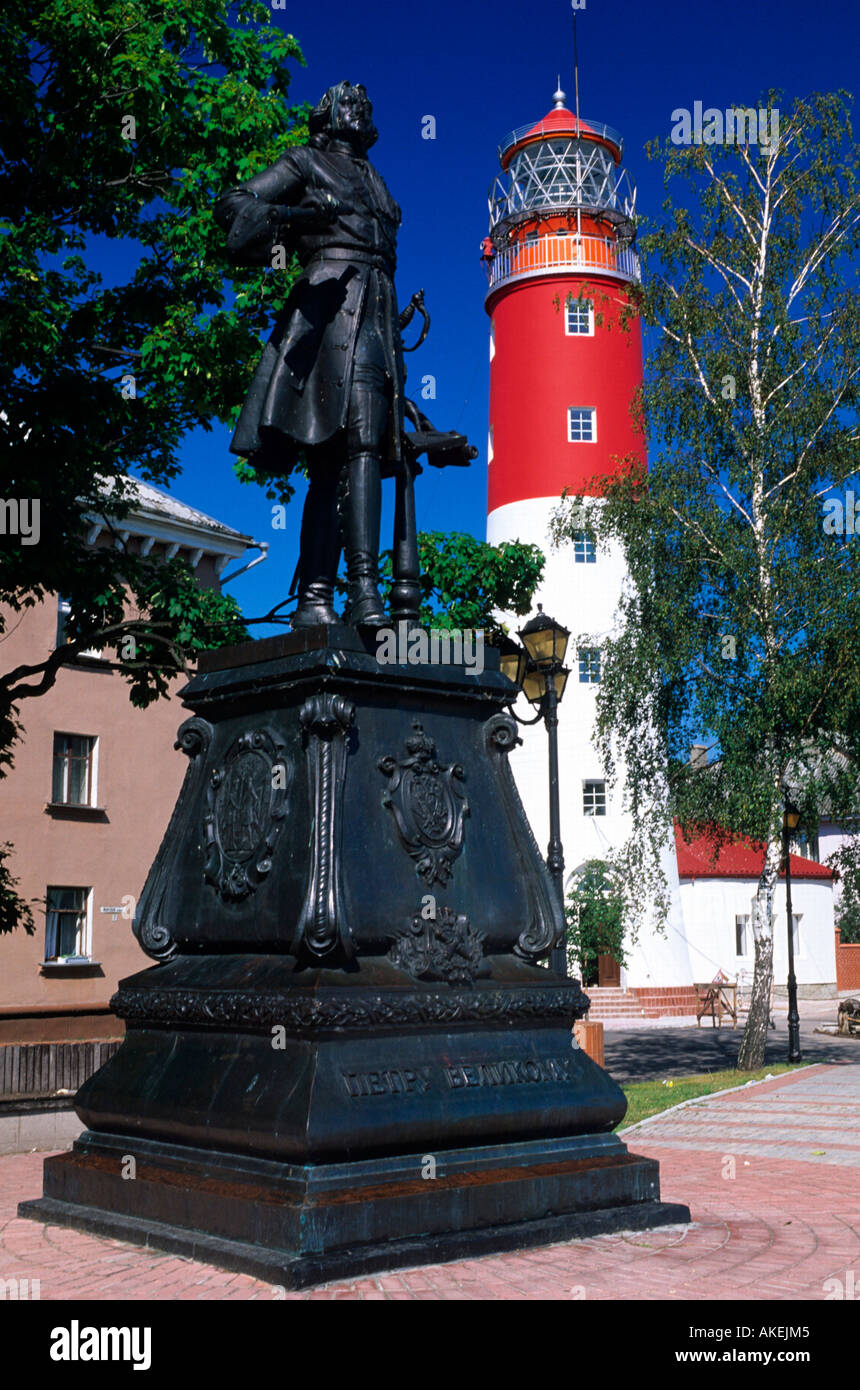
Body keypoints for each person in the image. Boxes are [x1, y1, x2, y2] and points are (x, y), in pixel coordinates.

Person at [215, 81, 406, 627]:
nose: (361, 107)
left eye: (365, 102)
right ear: (327, 113)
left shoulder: (377, 180)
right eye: (349, 101)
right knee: (328, 459)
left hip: (376, 311)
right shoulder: (305, 161)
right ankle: (322, 597)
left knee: (366, 445)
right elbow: (234, 205)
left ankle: (362, 591)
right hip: (326, 315)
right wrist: (300, 219)